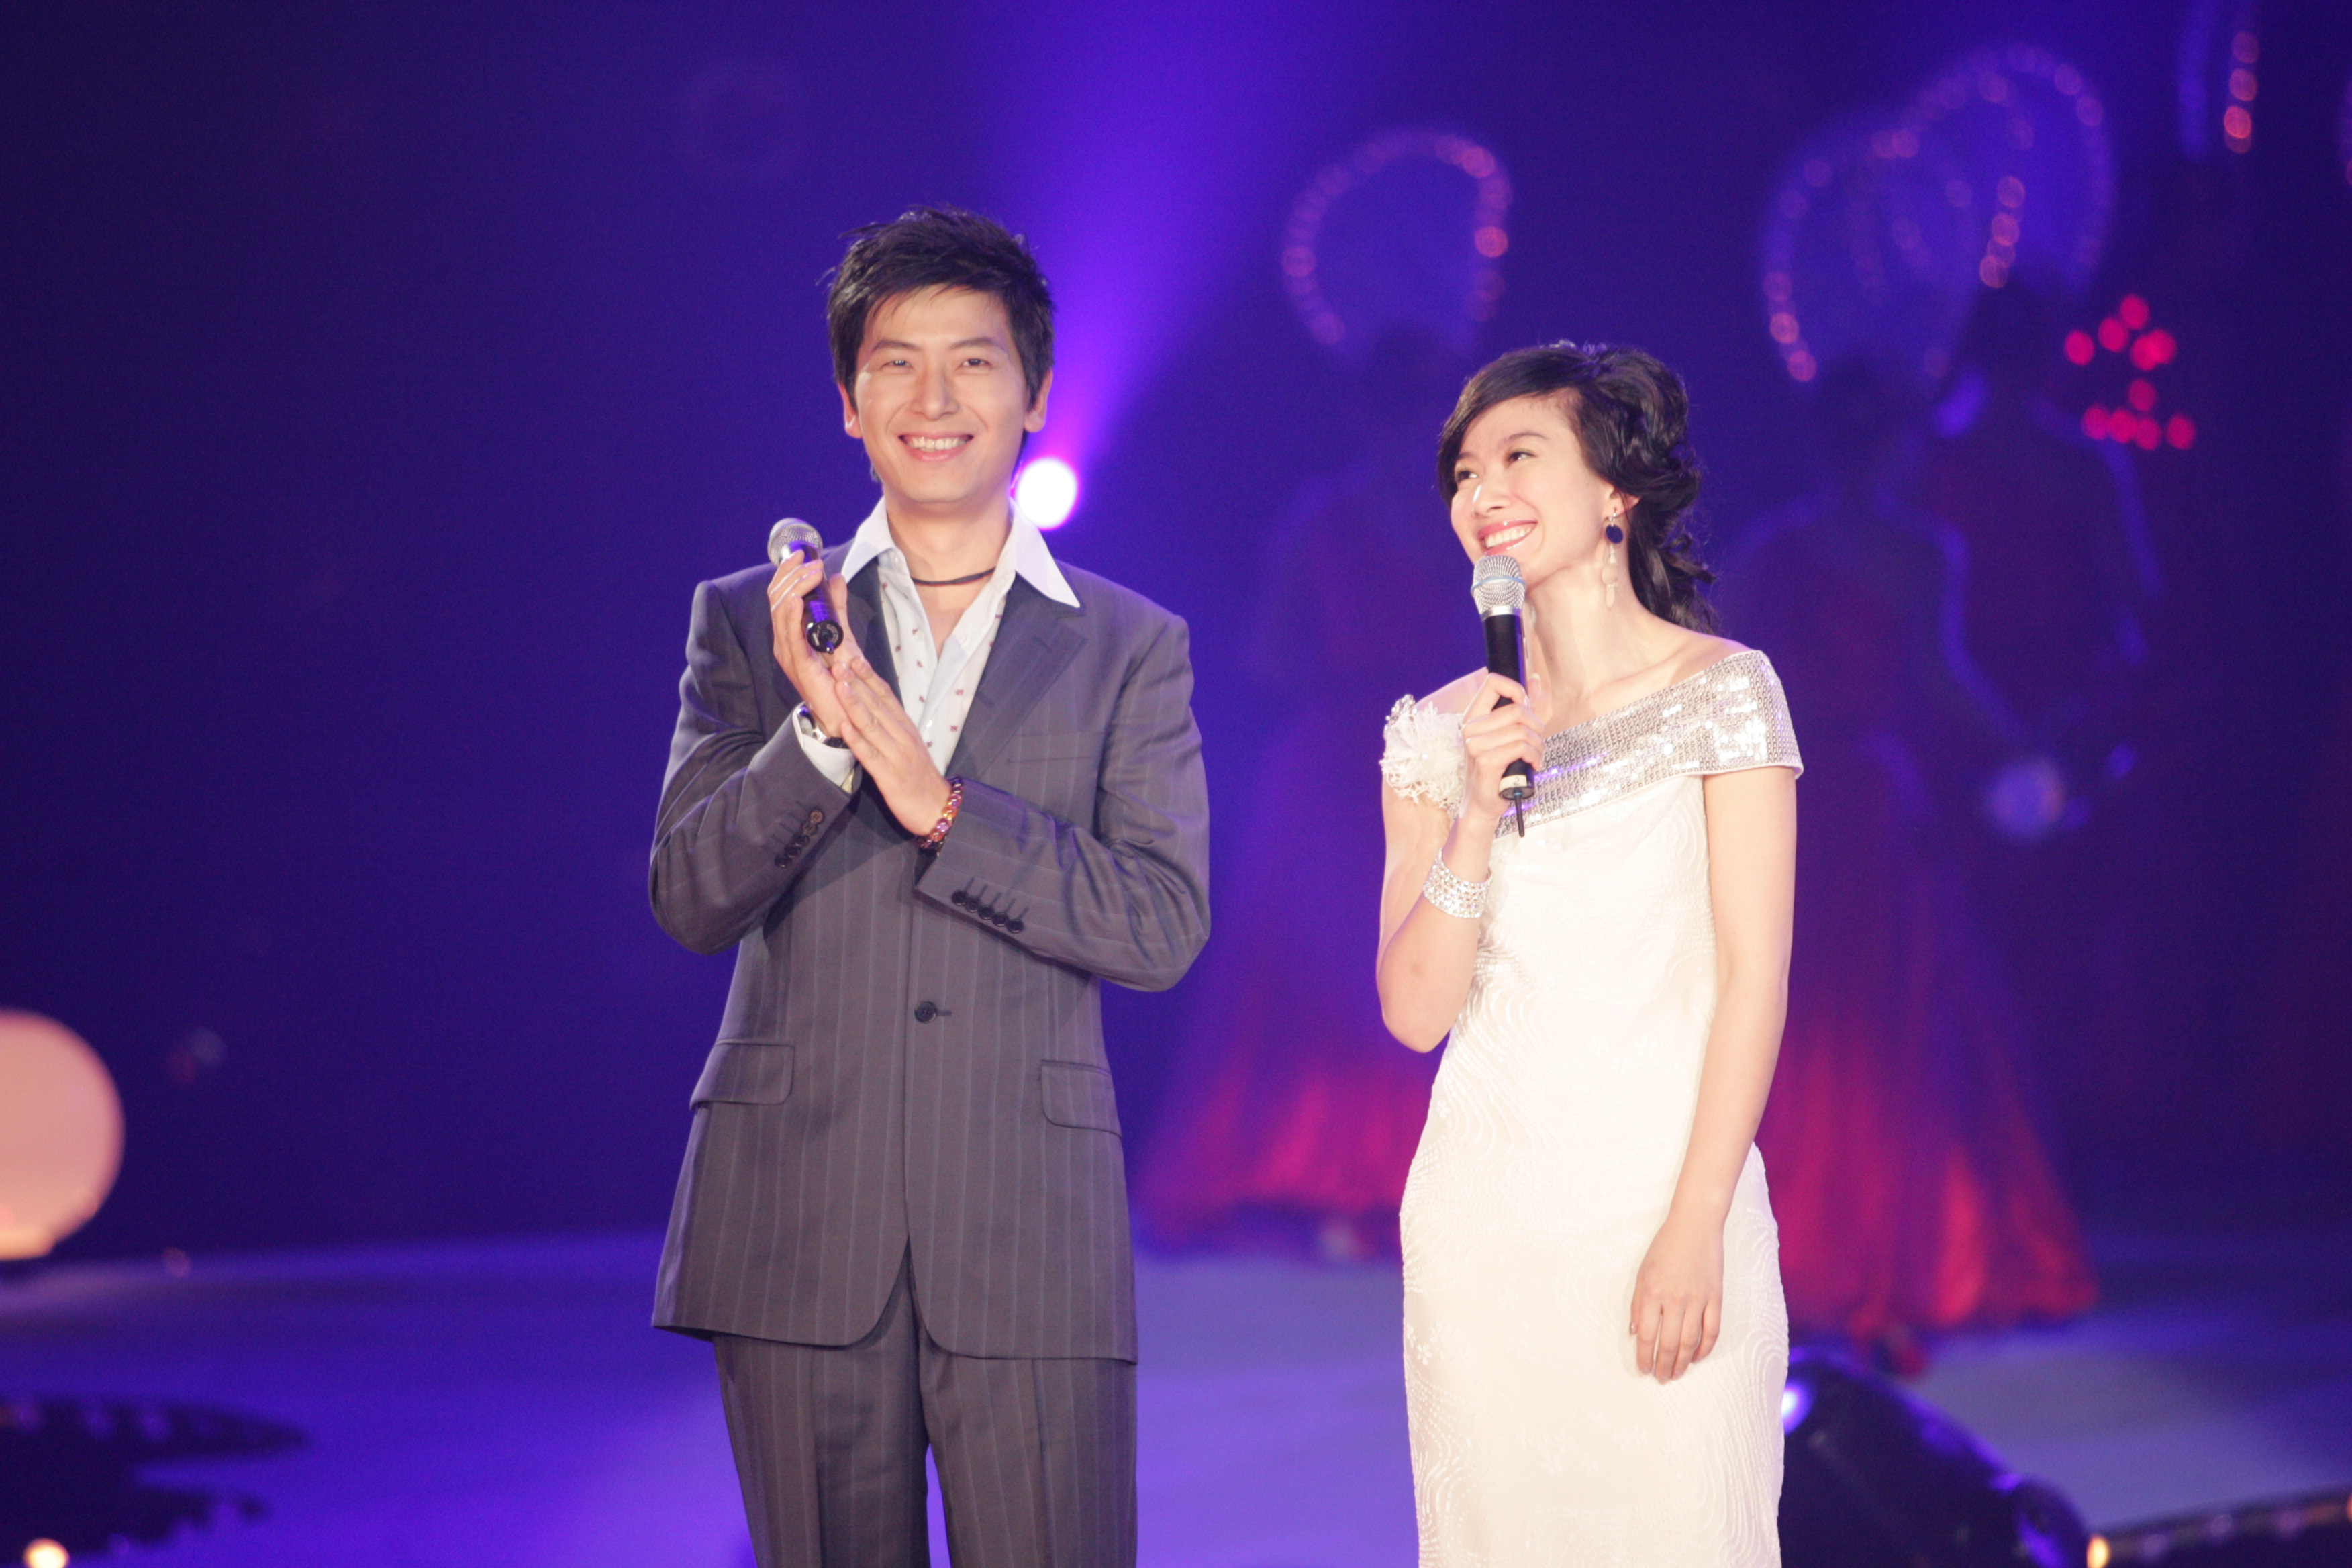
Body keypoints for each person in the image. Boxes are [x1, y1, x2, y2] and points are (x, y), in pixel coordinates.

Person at [646, 207, 1210, 1568]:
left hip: (1028, 1225)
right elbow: (690, 894)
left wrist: (945, 811)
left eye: (974, 362)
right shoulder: (753, 622)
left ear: (1035, 394)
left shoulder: (1129, 644)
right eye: (897, 364)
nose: (935, 398)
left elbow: (1160, 922)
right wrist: (821, 732)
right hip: (794, 1216)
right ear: (850, 403)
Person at [1377, 343, 1797, 1564]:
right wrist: (1472, 811)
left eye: (1520, 456)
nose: (1483, 492)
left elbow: (1754, 981)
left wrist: (1697, 1223)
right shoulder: (1436, 734)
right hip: (1486, 1232)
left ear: (1615, 490)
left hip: (1665, 1205)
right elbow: (1413, 1011)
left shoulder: (1725, 691)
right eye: (1464, 472)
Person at [1720, 356, 2096, 1363]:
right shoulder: (1922, 552)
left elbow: (1722, 683)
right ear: (1892, 443)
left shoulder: (1770, 551)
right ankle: (1889, 1258)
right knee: (1889, 1030)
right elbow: (1943, 679)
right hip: (1870, 805)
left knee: (1801, 1025)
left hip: (1792, 805)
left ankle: (1803, 1259)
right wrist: (2025, 748)